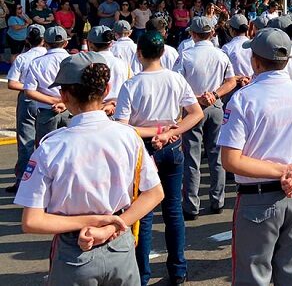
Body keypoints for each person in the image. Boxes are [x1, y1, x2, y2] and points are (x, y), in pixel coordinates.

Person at [14, 52, 164, 286]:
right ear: (107, 90)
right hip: (120, 243)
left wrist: (91, 222)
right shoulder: (128, 136)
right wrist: (110, 225)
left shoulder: (51, 146)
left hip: (74, 250)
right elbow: (155, 193)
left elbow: (32, 221)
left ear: (63, 94)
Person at [219, 28, 292, 286]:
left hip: (258, 198)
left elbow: (231, 160)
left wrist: (283, 171)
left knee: (252, 276)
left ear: (255, 61)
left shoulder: (243, 99)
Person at [115, 31, 205, 285]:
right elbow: (195, 113)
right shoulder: (175, 79)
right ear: (163, 53)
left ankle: (142, 274)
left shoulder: (131, 85)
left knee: (144, 213)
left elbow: (123, 125)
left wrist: (155, 133)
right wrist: (171, 132)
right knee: (173, 209)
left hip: (144, 149)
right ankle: (178, 269)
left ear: (139, 53)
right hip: (172, 145)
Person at [174, 16, 237, 220]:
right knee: (215, 154)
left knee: (192, 157)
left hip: (193, 108)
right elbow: (230, 82)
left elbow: (177, 84)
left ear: (192, 34)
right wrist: (215, 94)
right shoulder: (220, 55)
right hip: (216, 105)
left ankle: (191, 204)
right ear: (211, 33)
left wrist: (196, 98)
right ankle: (217, 199)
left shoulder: (185, 55)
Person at [5, 24, 46, 193]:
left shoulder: (23, 58)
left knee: (26, 142)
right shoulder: (52, 57)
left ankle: (23, 180)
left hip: (29, 100)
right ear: (43, 40)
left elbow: (12, 83)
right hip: (49, 101)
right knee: (46, 142)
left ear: (28, 40)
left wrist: (29, 88)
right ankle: (45, 180)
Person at [24, 26, 71, 142]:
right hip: (70, 109)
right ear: (65, 43)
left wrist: (53, 101)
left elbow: (29, 91)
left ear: (45, 42)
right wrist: (64, 102)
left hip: (47, 110)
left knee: (45, 152)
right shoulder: (74, 60)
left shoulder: (37, 63)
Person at [86, 26, 130, 116]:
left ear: (90, 44)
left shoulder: (87, 64)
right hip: (119, 111)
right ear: (111, 44)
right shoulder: (124, 64)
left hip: (95, 112)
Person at [221, 14, 254, 97]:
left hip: (233, 89)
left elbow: (223, 73)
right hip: (253, 85)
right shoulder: (254, 45)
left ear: (232, 30)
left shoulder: (227, 48)